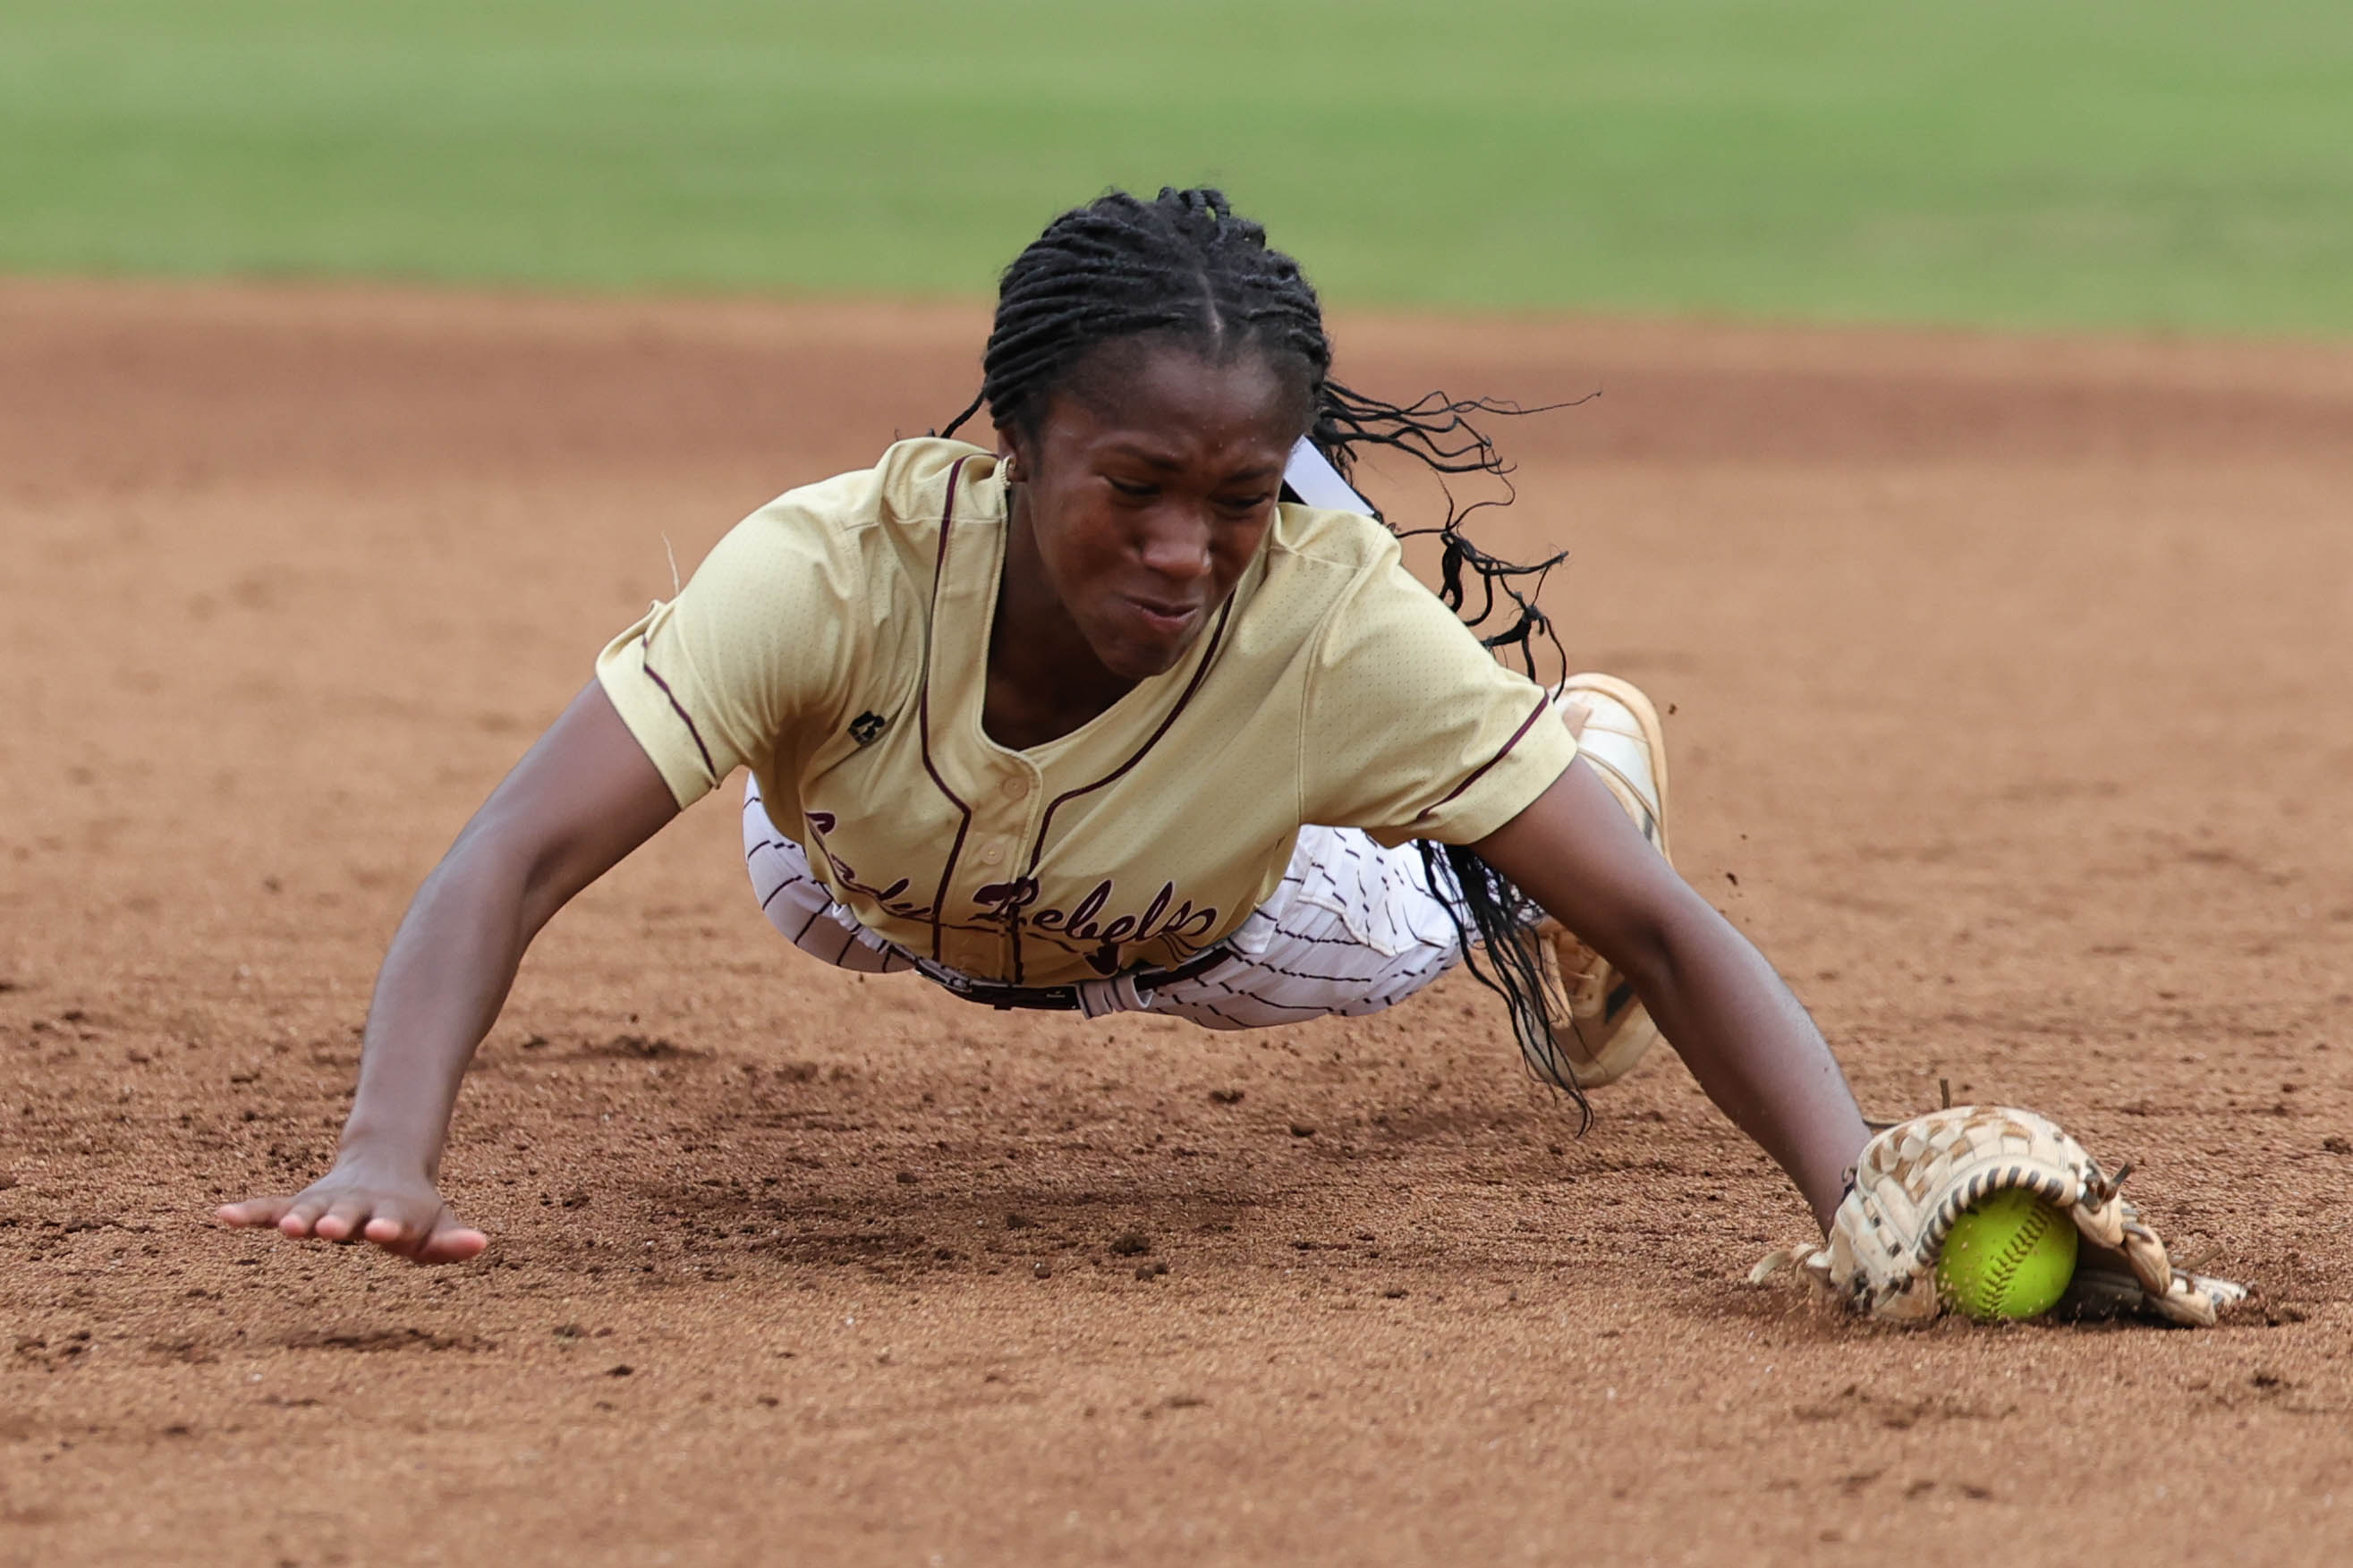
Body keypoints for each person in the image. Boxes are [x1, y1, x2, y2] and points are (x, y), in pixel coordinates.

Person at [218, 187, 1871, 1267]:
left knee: (1441, 908)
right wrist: (387, 1146)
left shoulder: (1331, 620)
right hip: (857, 872)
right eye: (1135, 487)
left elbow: (1659, 921)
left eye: (1239, 498)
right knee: (804, 883)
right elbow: (513, 849)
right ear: (1015, 436)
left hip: (1216, 915)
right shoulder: (828, 570)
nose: (1183, 549)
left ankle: (1570, 764)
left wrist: (1861, 1203)